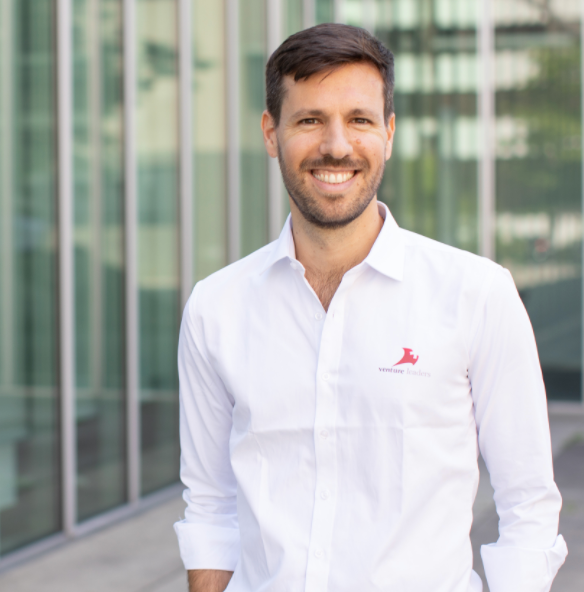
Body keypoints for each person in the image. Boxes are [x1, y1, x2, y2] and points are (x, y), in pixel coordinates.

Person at [174, 23, 567, 592]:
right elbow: (211, 505)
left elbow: (528, 505)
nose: (336, 145)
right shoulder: (218, 307)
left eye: (358, 120)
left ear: (388, 132)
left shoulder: (477, 294)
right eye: (310, 120)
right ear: (270, 132)